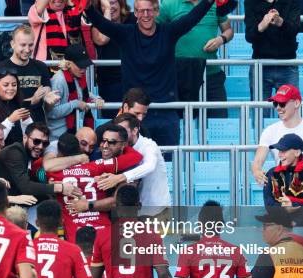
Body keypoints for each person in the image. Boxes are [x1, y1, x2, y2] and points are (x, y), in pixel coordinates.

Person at [83, 0, 218, 160]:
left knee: (168, 166)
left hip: (166, 111)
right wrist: (87, 7)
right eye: (141, 11)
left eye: (149, 10)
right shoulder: (126, 33)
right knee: (133, 165)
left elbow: (191, 18)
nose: (145, 15)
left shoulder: (168, 32)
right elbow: (103, 24)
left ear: (157, 12)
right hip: (135, 116)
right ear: (135, 13)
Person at [46, 129, 142, 243]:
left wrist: (49, 185)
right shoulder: (98, 165)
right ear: (78, 147)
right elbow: (136, 156)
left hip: (76, 234)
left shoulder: (52, 174)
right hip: (103, 230)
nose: (87, 150)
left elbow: (38, 168)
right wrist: (123, 145)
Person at [158, 0, 233, 119]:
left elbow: (229, 30)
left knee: (219, 120)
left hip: (211, 75)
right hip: (179, 77)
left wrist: (220, 39)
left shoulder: (214, 3)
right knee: (178, 124)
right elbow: (153, 30)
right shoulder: (168, 4)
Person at [96, 113, 171, 217]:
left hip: (157, 212)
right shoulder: (120, 148)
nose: (119, 134)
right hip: (135, 213)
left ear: (135, 131)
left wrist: (120, 178)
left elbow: (149, 166)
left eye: (123, 130)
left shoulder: (148, 146)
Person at [0, 123, 82, 200]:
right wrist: (60, 188)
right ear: (25, 137)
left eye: (45, 143)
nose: (40, 147)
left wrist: (48, 185)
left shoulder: (27, 153)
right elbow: (25, 187)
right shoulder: (15, 152)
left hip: (8, 196)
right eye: (36, 141)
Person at [0, 25, 61, 123]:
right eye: (23, 45)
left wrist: (49, 102)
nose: (27, 49)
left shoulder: (41, 67)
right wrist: (32, 101)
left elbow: (47, 107)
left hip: (38, 127)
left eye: (30, 45)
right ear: (12, 44)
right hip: (11, 125)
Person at [245, 0, 301, 101]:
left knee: (290, 112)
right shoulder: (251, 2)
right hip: (260, 66)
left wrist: (280, 22)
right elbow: (249, 36)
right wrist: (262, 25)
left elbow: (295, 30)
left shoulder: (292, 2)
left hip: (287, 65)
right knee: (259, 113)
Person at [48, 44, 104, 138]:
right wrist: (75, 104)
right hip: (58, 138)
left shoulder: (77, 76)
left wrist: (96, 98)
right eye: (80, 66)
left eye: (85, 66)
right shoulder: (59, 80)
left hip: (73, 134)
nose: (83, 69)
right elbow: (52, 112)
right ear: (68, 64)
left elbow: (83, 94)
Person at [91, 0, 135, 119]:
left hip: (133, 79)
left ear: (121, 3)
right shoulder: (98, 22)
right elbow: (102, 39)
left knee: (133, 119)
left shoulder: (132, 19)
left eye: (113, 2)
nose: (110, 7)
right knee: (113, 122)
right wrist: (107, 13)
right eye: (105, 5)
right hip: (110, 82)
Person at [263, 134, 303, 225]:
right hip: (277, 228)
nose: (280, 155)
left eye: (284, 151)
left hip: (300, 230)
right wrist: (285, 208)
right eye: (279, 151)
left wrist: (293, 205)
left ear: (297, 153)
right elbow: (268, 205)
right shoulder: (271, 173)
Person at [0, 68, 33, 146]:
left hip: (21, 154)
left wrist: (26, 121)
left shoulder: (20, 106)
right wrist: (10, 120)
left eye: (14, 85)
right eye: (6, 85)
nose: (10, 88)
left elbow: (30, 137)